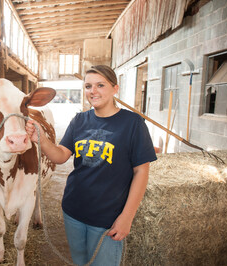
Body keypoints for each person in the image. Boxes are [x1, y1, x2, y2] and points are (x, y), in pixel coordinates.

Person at [26, 65, 157, 266]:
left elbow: (141, 171)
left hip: (108, 218)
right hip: (73, 211)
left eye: (100, 85)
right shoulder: (79, 120)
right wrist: (41, 139)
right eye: (88, 86)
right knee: (80, 262)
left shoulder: (132, 123)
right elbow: (61, 156)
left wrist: (127, 217)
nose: (93, 91)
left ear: (115, 88)